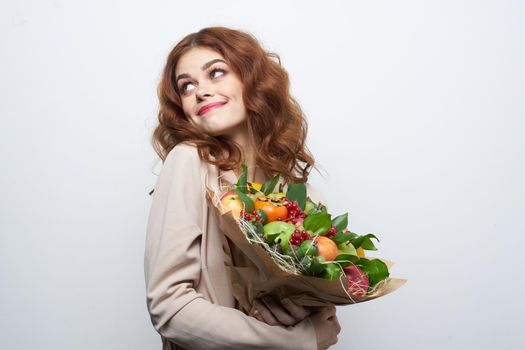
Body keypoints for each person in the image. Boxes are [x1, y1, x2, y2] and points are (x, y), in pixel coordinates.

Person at [144, 26, 341, 350]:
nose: (201, 91)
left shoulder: (299, 193)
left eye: (216, 73)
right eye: (187, 85)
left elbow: (326, 323)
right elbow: (169, 307)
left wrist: (301, 310)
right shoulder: (189, 162)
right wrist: (295, 340)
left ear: (252, 78)